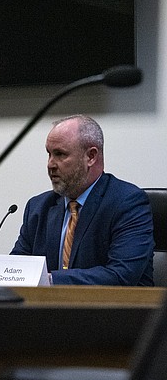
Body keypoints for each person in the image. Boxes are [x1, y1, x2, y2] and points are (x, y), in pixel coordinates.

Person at [11, 115, 154, 286]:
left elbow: (121, 275)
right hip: (47, 311)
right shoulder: (38, 207)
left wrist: (51, 280)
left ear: (91, 156)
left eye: (60, 154)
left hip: (110, 310)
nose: (50, 164)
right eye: (49, 154)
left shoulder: (127, 203)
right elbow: (17, 269)